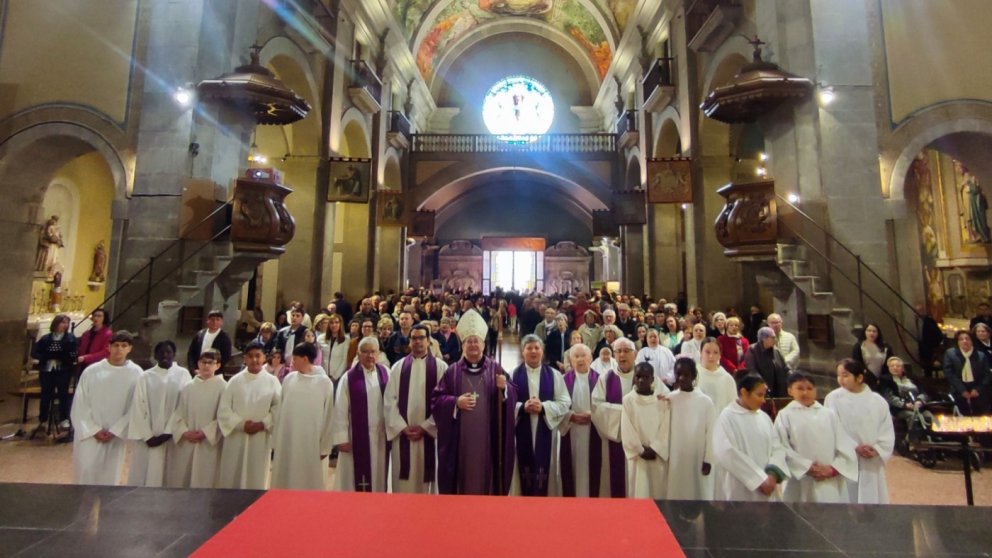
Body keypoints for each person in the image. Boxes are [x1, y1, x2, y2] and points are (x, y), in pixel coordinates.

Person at [432, 309, 518, 495]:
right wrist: (455, 403)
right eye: (468, 341)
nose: (472, 345)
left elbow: (513, 394)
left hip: (489, 442)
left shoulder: (495, 368)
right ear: (462, 346)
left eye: (476, 341)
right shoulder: (452, 371)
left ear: (483, 345)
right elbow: (436, 400)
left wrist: (505, 390)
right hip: (460, 443)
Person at [592, 337, 670, 498]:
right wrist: (627, 412)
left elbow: (665, 402)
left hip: (646, 441)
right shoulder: (606, 378)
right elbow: (596, 407)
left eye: (626, 351)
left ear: (634, 354)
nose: (622, 355)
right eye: (618, 351)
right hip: (618, 442)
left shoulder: (649, 377)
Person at [71, 331, 143, 485]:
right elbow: (80, 403)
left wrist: (116, 429)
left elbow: (136, 405)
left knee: (110, 478)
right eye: (116, 345)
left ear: (130, 348)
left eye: (124, 346)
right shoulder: (92, 371)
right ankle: (82, 509)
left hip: (115, 435)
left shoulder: (136, 373)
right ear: (109, 347)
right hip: (89, 435)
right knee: (85, 474)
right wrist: (93, 429)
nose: (119, 349)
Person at [774, 373, 857, 503]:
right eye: (800, 388)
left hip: (829, 478)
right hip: (800, 478)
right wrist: (807, 467)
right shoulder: (785, 415)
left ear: (816, 391)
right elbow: (780, 445)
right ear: (790, 390)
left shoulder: (829, 415)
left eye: (810, 388)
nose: (805, 392)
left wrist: (833, 469)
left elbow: (844, 445)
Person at [385, 325, 447, 494]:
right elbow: (389, 401)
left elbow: (444, 403)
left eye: (421, 338)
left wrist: (426, 427)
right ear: (409, 342)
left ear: (428, 341)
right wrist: (402, 428)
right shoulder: (398, 368)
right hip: (403, 435)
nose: (418, 342)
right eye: (414, 338)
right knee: (405, 484)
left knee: (428, 482)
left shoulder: (441, 368)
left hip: (430, 437)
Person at [825, 359, 895, 504]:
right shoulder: (833, 398)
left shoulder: (878, 401)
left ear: (859, 377)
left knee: (871, 498)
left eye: (845, 375)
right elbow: (832, 426)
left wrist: (877, 449)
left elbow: (886, 429)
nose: (841, 380)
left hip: (871, 460)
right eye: (838, 375)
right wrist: (853, 447)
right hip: (846, 456)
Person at [511, 335, 571, 497]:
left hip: (546, 432)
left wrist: (543, 407)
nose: (533, 351)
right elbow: (505, 404)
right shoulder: (513, 375)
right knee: (522, 471)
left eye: (537, 348)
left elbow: (565, 402)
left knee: (546, 471)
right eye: (529, 348)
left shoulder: (554, 375)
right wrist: (523, 407)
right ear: (522, 352)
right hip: (522, 431)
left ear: (542, 352)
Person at [711, 375, 787, 501]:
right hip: (741, 488)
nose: (763, 400)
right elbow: (727, 452)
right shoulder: (727, 417)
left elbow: (777, 448)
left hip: (769, 485)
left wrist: (772, 475)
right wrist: (759, 480)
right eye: (759, 395)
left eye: (764, 395)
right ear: (744, 392)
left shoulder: (764, 418)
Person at [217, 342, 282, 489]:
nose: (254, 360)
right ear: (244, 359)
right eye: (250, 356)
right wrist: (241, 424)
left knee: (256, 478)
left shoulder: (272, 382)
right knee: (232, 476)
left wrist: (263, 423)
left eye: (258, 356)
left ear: (265, 358)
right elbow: (224, 410)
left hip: (260, 437)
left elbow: (278, 408)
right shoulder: (235, 381)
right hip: (236, 436)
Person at [271, 342, 335, 490]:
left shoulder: (324, 383)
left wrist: (325, 447)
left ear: (305, 359)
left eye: (295, 358)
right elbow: (281, 410)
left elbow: (328, 416)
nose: (292, 362)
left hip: (311, 443)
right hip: (287, 440)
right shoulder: (289, 379)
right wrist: (276, 439)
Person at [126, 341, 191, 487]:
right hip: (148, 437)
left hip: (172, 437)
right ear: (155, 355)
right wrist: (148, 436)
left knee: (171, 476)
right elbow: (138, 405)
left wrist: (168, 432)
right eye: (161, 352)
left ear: (174, 354)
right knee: (145, 475)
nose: (165, 355)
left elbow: (184, 404)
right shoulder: (146, 376)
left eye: (168, 352)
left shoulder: (183, 374)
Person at [332, 337, 390, 492]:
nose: (370, 356)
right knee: (355, 479)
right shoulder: (349, 378)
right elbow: (340, 409)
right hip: (356, 438)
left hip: (381, 436)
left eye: (373, 352)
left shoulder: (386, 373)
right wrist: (341, 438)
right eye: (365, 352)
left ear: (378, 354)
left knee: (380, 476)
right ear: (358, 353)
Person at [166, 349, 226, 488]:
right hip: (187, 441)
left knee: (206, 479)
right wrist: (184, 431)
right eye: (203, 362)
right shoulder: (188, 387)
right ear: (198, 364)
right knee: (183, 480)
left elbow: (224, 416)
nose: (206, 366)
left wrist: (206, 432)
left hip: (209, 442)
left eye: (210, 363)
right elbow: (178, 413)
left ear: (217, 366)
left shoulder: (223, 387)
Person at [559, 343, 608, 497]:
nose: (580, 359)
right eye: (576, 356)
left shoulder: (601, 380)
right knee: (572, 467)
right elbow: (558, 406)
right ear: (570, 360)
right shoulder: (563, 380)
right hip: (571, 429)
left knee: (593, 467)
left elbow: (606, 406)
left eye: (583, 355)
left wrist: (593, 416)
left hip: (594, 430)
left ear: (591, 358)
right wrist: (570, 416)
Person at [666, 359, 716, 501]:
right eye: (678, 374)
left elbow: (711, 432)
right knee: (676, 493)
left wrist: (709, 459)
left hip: (698, 456)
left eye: (686, 374)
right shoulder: (670, 399)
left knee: (698, 494)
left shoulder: (705, 402)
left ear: (694, 375)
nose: (682, 378)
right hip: (676, 456)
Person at [620, 362, 671, 498]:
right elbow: (627, 428)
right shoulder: (628, 400)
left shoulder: (662, 400)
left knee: (658, 493)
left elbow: (666, 427)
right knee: (639, 493)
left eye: (646, 377)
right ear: (634, 378)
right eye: (638, 377)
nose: (641, 380)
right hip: (638, 457)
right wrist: (641, 450)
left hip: (657, 455)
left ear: (653, 379)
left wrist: (656, 448)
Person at [31, 314, 78, 433]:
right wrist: (43, 357)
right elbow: (35, 352)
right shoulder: (46, 338)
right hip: (47, 369)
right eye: (63, 322)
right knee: (46, 393)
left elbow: (73, 354)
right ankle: (43, 418)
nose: (65, 325)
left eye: (67, 323)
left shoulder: (70, 338)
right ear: (56, 324)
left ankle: (64, 418)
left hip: (63, 369)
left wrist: (66, 356)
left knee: (63, 394)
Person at [941, 330, 992, 415]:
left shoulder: (981, 355)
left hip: (977, 390)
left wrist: (977, 389)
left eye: (967, 339)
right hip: (958, 390)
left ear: (972, 341)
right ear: (957, 342)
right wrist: (963, 390)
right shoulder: (950, 354)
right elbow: (949, 374)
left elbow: (987, 375)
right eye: (961, 339)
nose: (964, 341)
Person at [878, 356, 931, 432]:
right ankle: (913, 439)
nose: (895, 368)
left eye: (898, 366)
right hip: (899, 408)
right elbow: (889, 398)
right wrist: (905, 405)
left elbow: (923, 391)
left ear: (902, 368)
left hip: (918, 406)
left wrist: (919, 401)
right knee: (913, 416)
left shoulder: (912, 378)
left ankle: (932, 437)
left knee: (928, 415)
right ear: (889, 368)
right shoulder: (885, 380)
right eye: (892, 366)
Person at [744, 327, 789, 398]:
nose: (776, 340)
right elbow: (752, 371)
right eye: (773, 337)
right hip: (763, 391)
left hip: (780, 390)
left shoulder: (777, 351)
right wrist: (762, 384)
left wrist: (792, 376)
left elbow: (786, 368)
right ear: (764, 339)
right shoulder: (752, 350)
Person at [697, 337, 737, 412]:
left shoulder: (726, 378)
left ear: (720, 355)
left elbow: (732, 405)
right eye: (707, 352)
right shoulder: (693, 375)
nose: (711, 356)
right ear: (701, 352)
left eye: (715, 352)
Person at [77, 308, 112, 376]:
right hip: (83, 364)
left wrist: (85, 358)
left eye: (99, 316)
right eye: (95, 315)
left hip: (97, 366)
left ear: (104, 318)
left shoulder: (108, 334)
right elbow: (81, 348)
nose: (96, 318)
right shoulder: (86, 333)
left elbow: (105, 352)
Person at [321, 313, 350, 383]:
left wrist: (335, 377)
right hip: (323, 376)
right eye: (331, 323)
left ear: (340, 324)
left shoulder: (346, 340)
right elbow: (319, 358)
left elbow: (344, 360)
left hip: (338, 377)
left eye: (336, 322)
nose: (334, 325)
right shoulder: (321, 338)